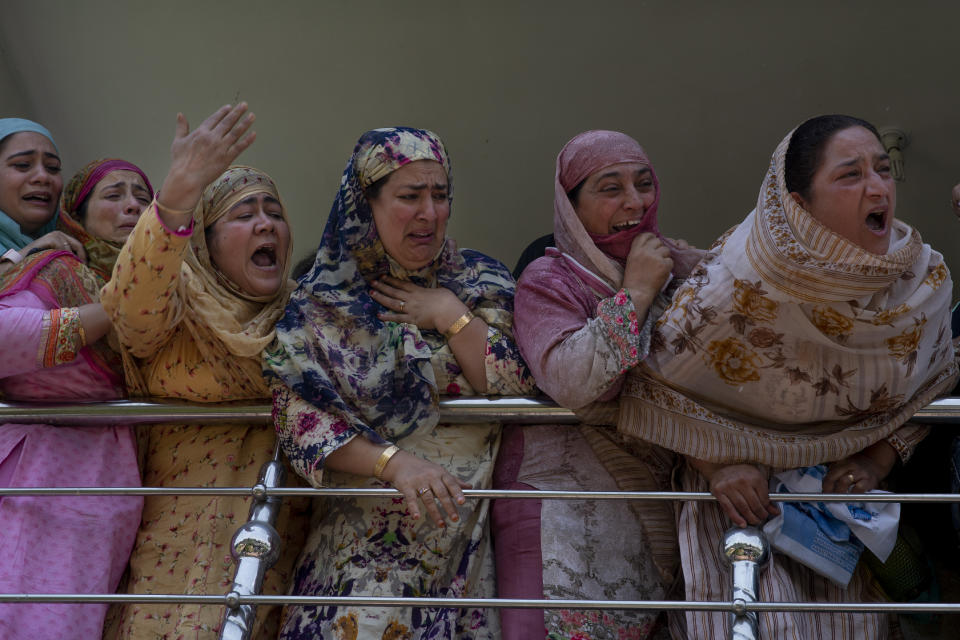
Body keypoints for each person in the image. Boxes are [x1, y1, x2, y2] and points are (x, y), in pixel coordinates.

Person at [619, 115, 958, 639]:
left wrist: (876, 457)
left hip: (844, 519)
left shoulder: (923, 281)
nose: (877, 187)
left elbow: (931, 387)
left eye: (883, 170)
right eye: (850, 175)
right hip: (741, 504)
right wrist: (715, 468)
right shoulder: (738, 277)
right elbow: (657, 382)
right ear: (799, 205)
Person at [263, 126, 535, 639]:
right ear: (366, 205)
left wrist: (450, 314)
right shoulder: (325, 298)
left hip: (464, 552)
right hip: (356, 555)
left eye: (440, 195)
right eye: (410, 197)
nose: (429, 213)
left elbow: (518, 378)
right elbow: (297, 417)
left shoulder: (482, 281)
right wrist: (394, 462)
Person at [100, 104, 308, 640]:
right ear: (207, 243)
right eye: (243, 214)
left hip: (274, 559)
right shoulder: (178, 310)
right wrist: (176, 195)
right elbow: (129, 308)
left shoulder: (309, 320)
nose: (265, 222)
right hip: (173, 556)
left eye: (273, 211)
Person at [493, 130, 704, 639]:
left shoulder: (684, 278)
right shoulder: (550, 280)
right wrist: (635, 292)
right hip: (557, 516)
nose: (634, 202)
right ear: (570, 206)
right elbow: (572, 379)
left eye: (644, 183)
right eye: (610, 188)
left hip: (649, 515)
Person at [0, 157, 152, 638]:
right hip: (39, 482)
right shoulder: (57, 272)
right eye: (114, 196)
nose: (133, 207)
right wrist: (111, 309)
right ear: (75, 218)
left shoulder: (180, 291)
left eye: (144, 200)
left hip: (115, 494)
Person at [0, 118, 85, 273]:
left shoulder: (79, 246)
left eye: (52, 168)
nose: (43, 177)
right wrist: (28, 255)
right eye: (23, 165)